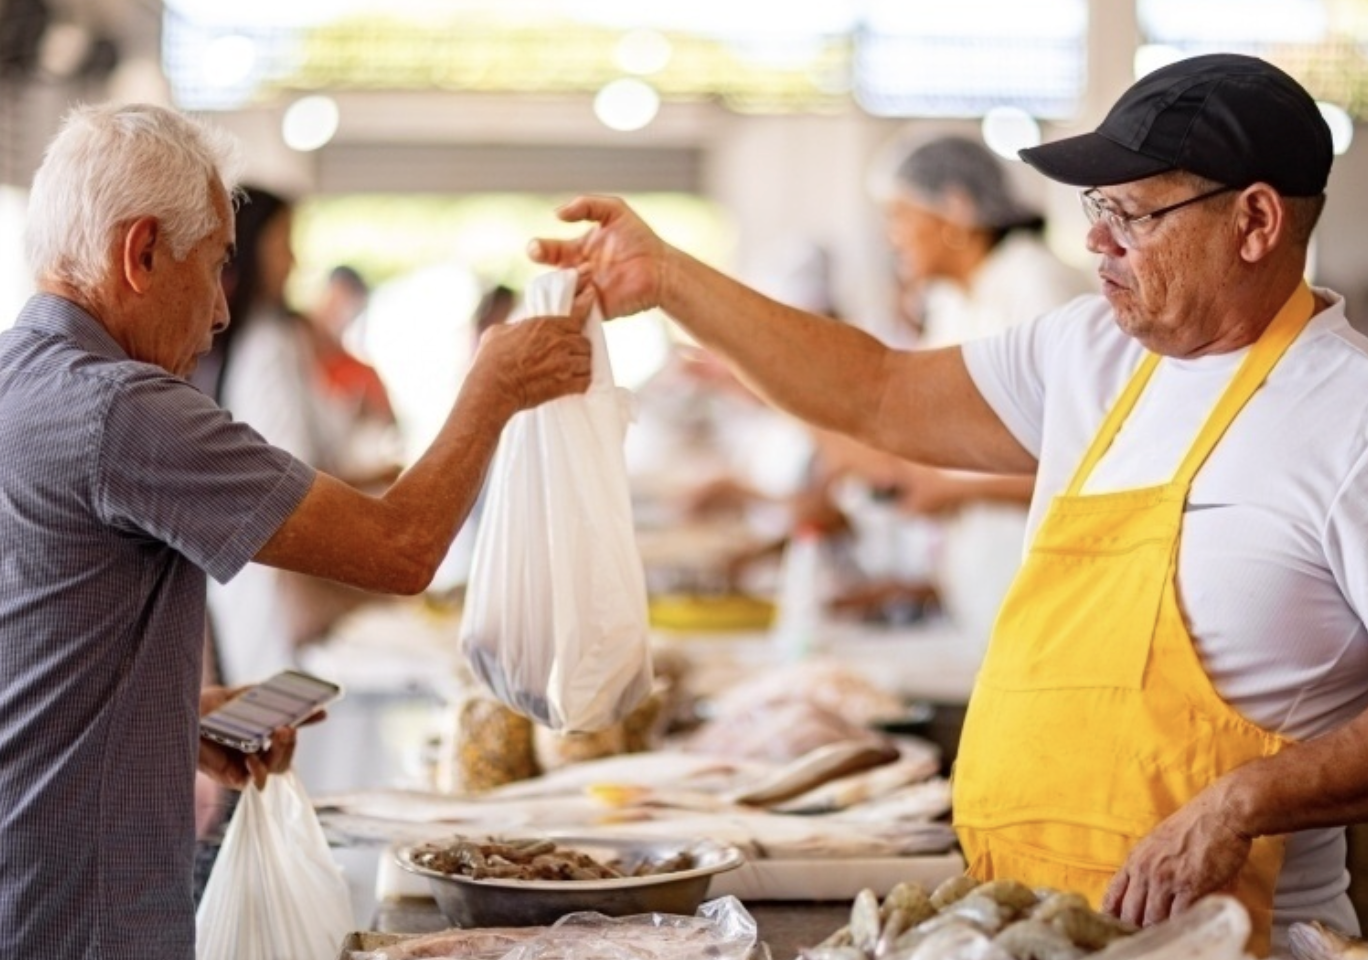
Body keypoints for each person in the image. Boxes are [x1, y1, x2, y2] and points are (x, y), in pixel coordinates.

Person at [532, 54, 1364, 954]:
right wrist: (669, 281)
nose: (1097, 242)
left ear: (1255, 221)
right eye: (1096, 210)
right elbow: (874, 391)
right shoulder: (1090, 354)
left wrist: (1247, 801)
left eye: (1131, 212)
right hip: (1022, 926)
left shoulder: (1345, 417)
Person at [0, 102, 590, 960]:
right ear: (142, 253)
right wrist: (491, 387)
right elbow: (402, 547)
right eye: (213, 270)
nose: (219, 313)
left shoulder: (20, 381)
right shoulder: (122, 409)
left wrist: (170, 718)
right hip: (83, 918)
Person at [875, 133, 1093, 648]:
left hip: (1049, 582)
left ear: (954, 208)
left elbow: (1087, 456)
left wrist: (952, 488)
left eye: (900, 216)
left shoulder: (1036, 283)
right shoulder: (952, 300)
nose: (892, 237)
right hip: (978, 579)